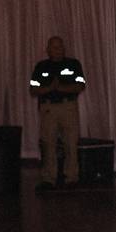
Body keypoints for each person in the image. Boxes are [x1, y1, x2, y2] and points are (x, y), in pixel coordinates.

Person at [29, 36, 86, 190]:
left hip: (68, 107)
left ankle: (72, 178)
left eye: (60, 47)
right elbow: (33, 90)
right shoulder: (41, 67)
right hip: (48, 109)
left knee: (71, 143)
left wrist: (59, 88)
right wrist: (49, 88)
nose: (58, 50)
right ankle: (48, 179)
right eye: (54, 47)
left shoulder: (73, 64)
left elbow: (80, 85)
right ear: (48, 50)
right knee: (48, 144)